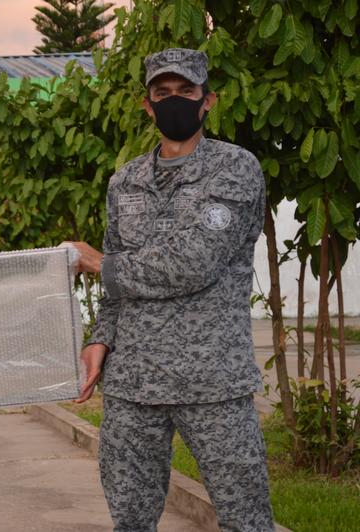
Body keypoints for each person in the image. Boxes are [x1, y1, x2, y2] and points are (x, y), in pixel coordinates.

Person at [70, 48, 275, 531]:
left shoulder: (235, 169)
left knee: (246, 519)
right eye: (163, 94)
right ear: (147, 105)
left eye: (186, 92)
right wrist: (101, 339)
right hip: (132, 383)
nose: (174, 102)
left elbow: (193, 263)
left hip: (212, 382)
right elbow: (117, 283)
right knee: (131, 521)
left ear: (208, 101)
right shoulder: (126, 181)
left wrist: (98, 264)